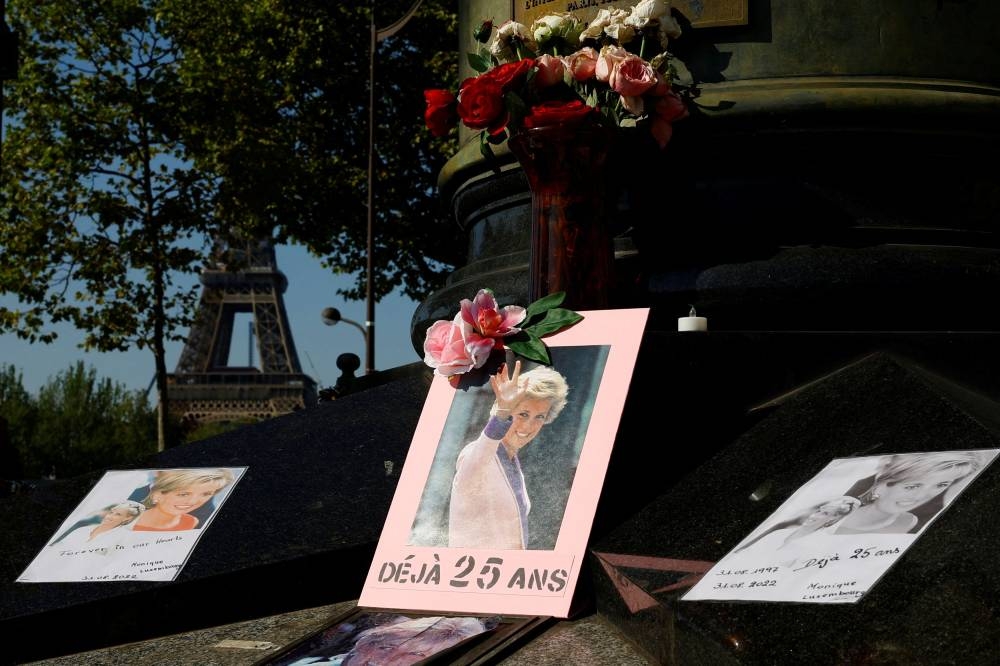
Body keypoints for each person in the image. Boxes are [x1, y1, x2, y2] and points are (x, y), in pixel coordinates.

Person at [448, 361, 569, 550]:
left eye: (539, 417)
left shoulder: (513, 463)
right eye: (523, 414)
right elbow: (479, 458)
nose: (528, 426)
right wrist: (501, 415)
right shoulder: (476, 454)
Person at [834, 451, 983, 535]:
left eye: (941, 485)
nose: (921, 496)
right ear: (881, 482)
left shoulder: (910, 521)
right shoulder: (833, 518)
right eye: (912, 486)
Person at [734, 496, 860, 554]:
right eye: (819, 511)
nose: (814, 515)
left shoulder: (818, 546)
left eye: (825, 513)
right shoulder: (778, 534)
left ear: (833, 519)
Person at [132, 468, 235, 531]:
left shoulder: (195, 519)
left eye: (206, 494)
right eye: (183, 494)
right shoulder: (131, 510)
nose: (193, 502)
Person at [50, 500, 145, 548]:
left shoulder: (123, 537)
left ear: (128, 518)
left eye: (118, 514)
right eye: (111, 512)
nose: (109, 516)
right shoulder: (82, 530)